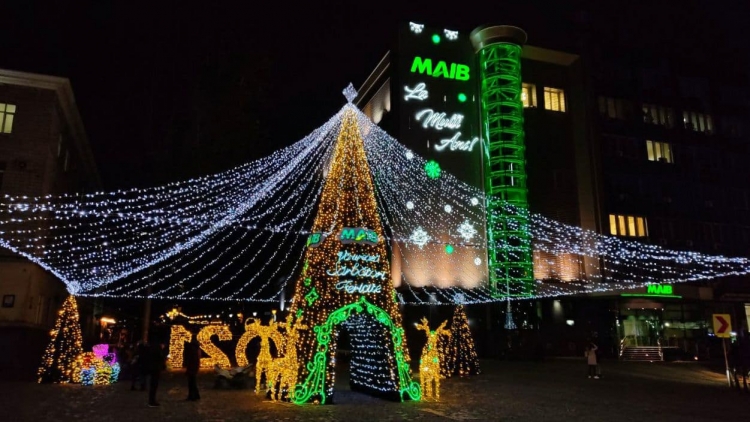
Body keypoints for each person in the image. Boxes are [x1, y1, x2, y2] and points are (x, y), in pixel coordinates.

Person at [147, 340, 167, 407]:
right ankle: (152, 401)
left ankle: (152, 400)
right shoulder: (158, 351)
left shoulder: (153, 350)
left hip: (154, 369)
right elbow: (160, 359)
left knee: (153, 385)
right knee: (154, 385)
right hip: (155, 369)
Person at [185, 335, 202, 401]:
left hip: (192, 367)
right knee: (193, 381)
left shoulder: (192, 348)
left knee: (191, 382)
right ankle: (196, 395)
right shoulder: (197, 348)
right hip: (194, 367)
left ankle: (192, 396)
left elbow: (191, 359)